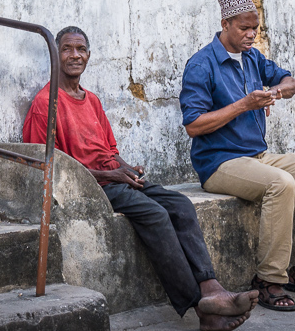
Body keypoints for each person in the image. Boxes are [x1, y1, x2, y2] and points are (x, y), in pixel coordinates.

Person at [23, 26, 257, 331]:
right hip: (91, 185)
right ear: (56, 54)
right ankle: (201, 306)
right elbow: (50, 165)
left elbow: (109, 149)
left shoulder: (90, 100)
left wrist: (127, 167)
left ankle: (212, 289)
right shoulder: (46, 103)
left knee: (180, 204)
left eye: (81, 50)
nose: (75, 55)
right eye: (67, 49)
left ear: (89, 56)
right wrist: (111, 173)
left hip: (114, 177)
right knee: (156, 215)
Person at [179, 0, 295, 313]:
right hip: (218, 162)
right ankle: (269, 280)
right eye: (244, 28)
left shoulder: (253, 58)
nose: (251, 34)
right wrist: (243, 104)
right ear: (225, 23)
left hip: (258, 155)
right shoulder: (202, 64)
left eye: (255, 28)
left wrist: (278, 91)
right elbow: (194, 125)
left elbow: (290, 81)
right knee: (279, 183)